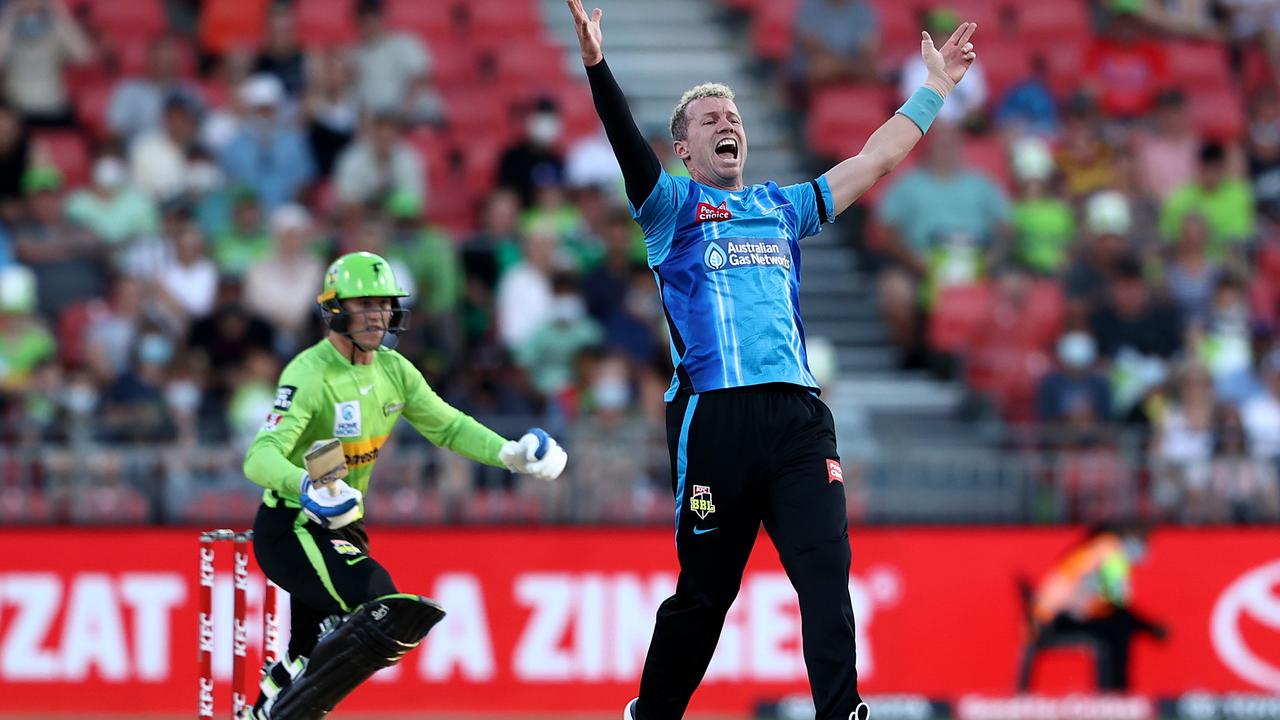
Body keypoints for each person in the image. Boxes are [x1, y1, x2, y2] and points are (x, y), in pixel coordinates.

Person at [564, 2, 978, 718]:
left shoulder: (782, 208)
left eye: (735, 116)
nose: (729, 123)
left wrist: (935, 88)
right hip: (713, 418)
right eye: (710, 119)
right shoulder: (670, 209)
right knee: (705, 596)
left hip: (796, 416)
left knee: (825, 574)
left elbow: (875, 159)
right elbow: (625, 140)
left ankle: (841, 711)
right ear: (685, 150)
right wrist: (598, 63)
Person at [243, 251, 568, 718]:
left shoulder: (393, 371)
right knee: (377, 599)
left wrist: (509, 454)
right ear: (335, 310)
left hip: (342, 526)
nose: (377, 315)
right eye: (364, 304)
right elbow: (259, 457)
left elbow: (449, 427)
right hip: (293, 525)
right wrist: (305, 485)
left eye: (384, 304)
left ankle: (264, 710)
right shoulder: (309, 374)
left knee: (309, 651)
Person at [1030, 523, 1167, 690]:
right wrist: (1149, 627)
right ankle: (1117, 694)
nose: (1146, 549)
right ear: (1132, 540)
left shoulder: (1101, 547)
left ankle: (1116, 693)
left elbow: (1100, 601)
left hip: (1048, 618)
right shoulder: (1111, 551)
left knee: (1119, 622)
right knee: (1121, 625)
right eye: (1145, 542)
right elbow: (1117, 601)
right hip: (1051, 620)